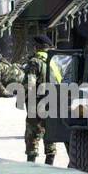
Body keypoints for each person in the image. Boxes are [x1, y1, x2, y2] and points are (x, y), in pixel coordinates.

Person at [21, 35, 61, 164]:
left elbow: (29, 84)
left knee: (32, 135)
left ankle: (31, 166)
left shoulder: (35, 62)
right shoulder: (55, 61)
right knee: (50, 134)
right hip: (53, 102)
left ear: (36, 47)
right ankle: (50, 164)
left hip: (37, 103)